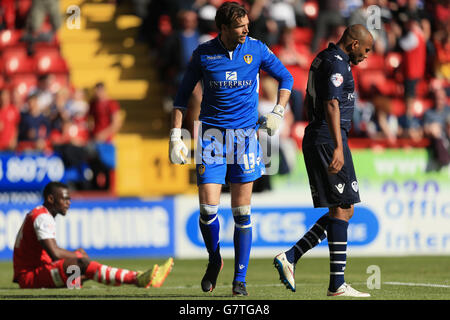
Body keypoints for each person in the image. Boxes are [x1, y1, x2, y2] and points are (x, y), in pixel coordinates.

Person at [168, 1, 293, 296]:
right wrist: (175, 136)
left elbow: (286, 77)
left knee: (241, 212)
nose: (246, 29)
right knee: (208, 209)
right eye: (240, 26)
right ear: (223, 28)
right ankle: (215, 258)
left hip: (246, 137)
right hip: (211, 136)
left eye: (247, 24)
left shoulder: (257, 49)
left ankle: (240, 280)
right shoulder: (203, 54)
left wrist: (278, 111)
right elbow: (181, 97)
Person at [273, 24, 374, 297]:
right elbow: (331, 103)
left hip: (322, 136)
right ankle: (335, 283)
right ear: (353, 44)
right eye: (365, 50)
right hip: (328, 138)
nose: (366, 56)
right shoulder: (337, 64)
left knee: (342, 208)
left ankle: (293, 258)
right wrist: (339, 147)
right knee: (343, 208)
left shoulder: (323, 57)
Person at [13, 181, 174, 289]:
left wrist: (76, 258)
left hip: (39, 272)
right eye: (65, 199)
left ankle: (140, 277)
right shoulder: (42, 217)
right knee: (82, 263)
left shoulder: (41, 214)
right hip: (29, 277)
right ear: (50, 199)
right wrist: (76, 256)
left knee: (85, 269)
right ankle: (137, 278)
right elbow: (54, 253)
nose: (69, 202)